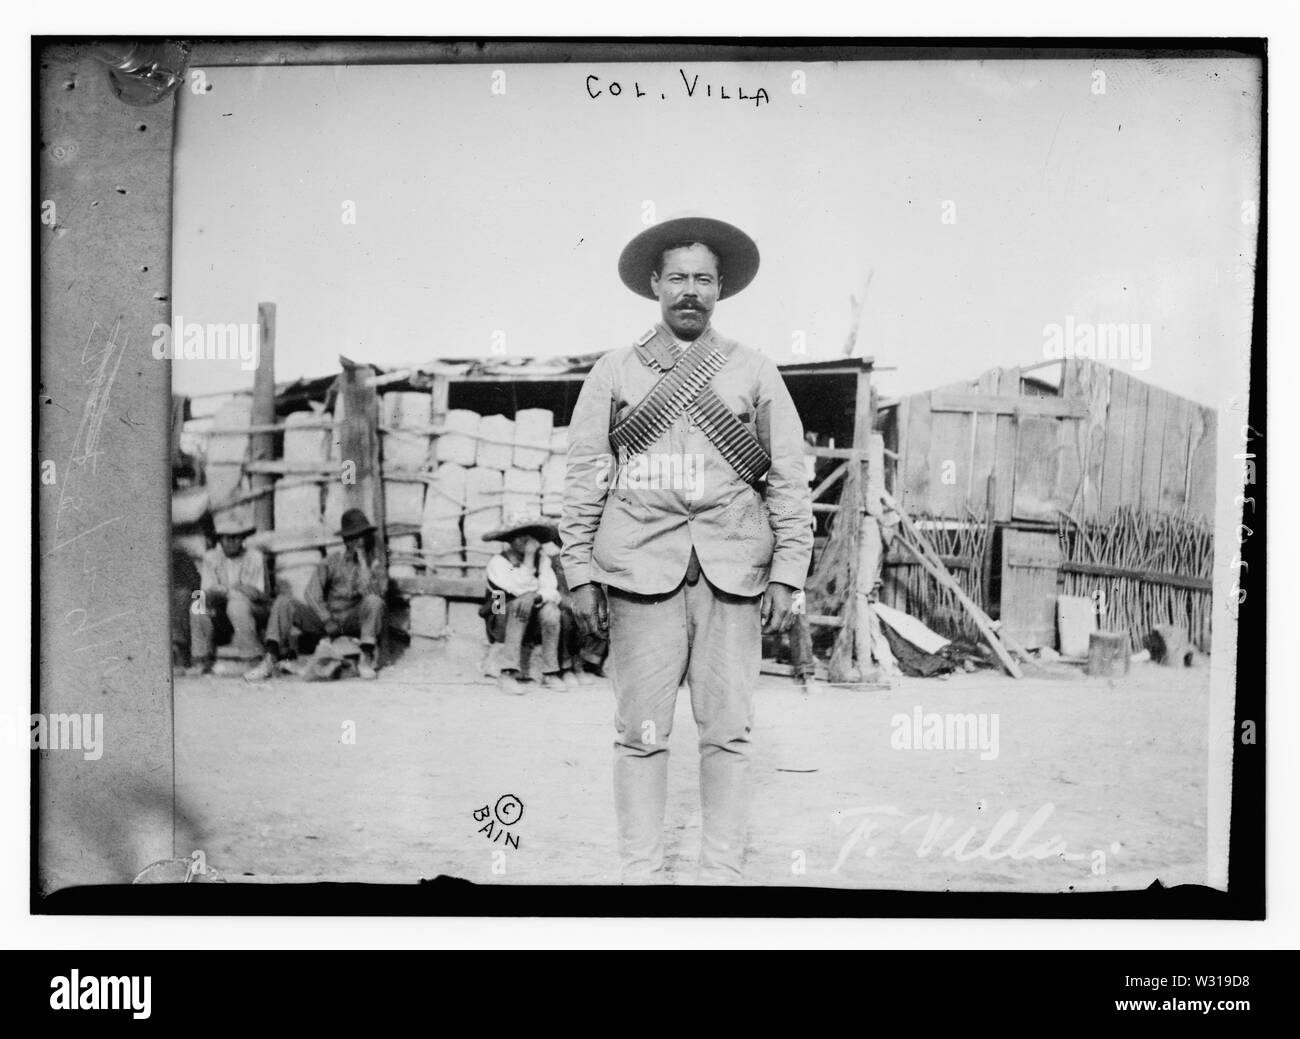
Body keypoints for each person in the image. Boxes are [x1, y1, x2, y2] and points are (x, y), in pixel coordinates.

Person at [561, 214, 813, 883]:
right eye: (678, 278)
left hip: (734, 571)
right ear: (655, 284)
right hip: (639, 569)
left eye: (704, 278)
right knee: (641, 735)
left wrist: (789, 571)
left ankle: (722, 876)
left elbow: (788, 476)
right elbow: (586, 475)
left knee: (728, 735)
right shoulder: (614, 371)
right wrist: (578, 570)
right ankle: (639, 876)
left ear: (720, 288)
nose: (690, 291)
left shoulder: (755, 370)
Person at [245, 508, 387, 681]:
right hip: (327, 621)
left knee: (374, 601)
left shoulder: (375, 563)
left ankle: (366, 658)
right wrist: (327, 619)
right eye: (354, 537)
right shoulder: (331, 562)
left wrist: (364, 565)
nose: (360, 541)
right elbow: (311, 594)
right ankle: (269, 659)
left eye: (363, 536)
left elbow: (378, 596)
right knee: (284, 602)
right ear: (346, 540)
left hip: (353, 621)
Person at [480, 513, 571, 695]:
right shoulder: (498, 562)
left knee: (551, 610)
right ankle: (508, 673)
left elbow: (551, 590)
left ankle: (550, 672)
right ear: (509, 540)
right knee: (517, 604)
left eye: (529, 535)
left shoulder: (543, 559)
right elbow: (517, 591)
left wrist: (535, 597)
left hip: (529, 619)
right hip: (500, 619)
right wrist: (529, 560)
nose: (525, 540)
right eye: (519, 535)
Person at [185, 510, 270, 676]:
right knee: (198, 604)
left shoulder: (255, 557)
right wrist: (215, 594)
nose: (231, 542)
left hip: (254, 611)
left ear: (243, 539)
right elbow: (206, 591)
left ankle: (252, 658)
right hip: (224, 611)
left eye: (236, 537)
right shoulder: (211, 558)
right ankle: (201, 659)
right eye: (227, 538)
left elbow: (257, 593)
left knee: (237, 604)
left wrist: (230, 591)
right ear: (220, 540)